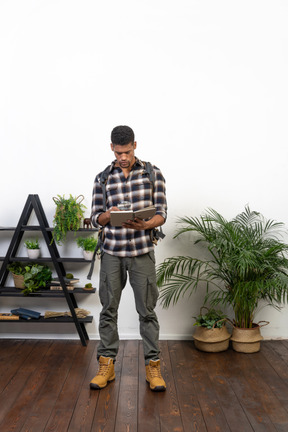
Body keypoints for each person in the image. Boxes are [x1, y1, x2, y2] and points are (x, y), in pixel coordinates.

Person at [90, 125, 167, 392]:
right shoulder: (102, 178)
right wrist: (108, 216)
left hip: (141, 252)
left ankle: (153, 367)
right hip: (112, 252)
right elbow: (94, 219)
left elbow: (161, 213)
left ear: (135, 144)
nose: (124, 156)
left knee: (147, 311)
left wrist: (146, 225)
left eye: (128, 150)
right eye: (119, 152)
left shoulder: (152, 174)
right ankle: (106, 365)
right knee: (108, 309)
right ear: (112, 147)